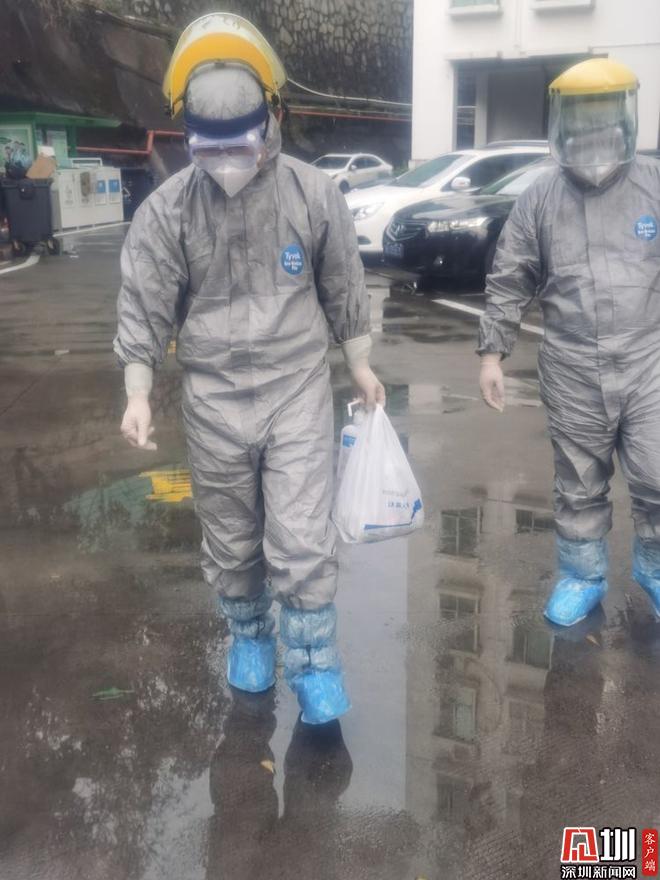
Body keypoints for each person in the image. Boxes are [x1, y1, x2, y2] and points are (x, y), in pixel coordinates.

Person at [114, 13, 385, 722]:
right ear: (188, 137)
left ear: (273, 119)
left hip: (296, 387)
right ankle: (250, 638)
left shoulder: (312, 195)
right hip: (213, 398)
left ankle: (315, 662)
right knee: (232, 536)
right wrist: (138, 389)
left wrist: (359, 363)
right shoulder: (169, 211)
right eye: (212, 150)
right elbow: (145, 302)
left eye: (242, 145)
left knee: (301, 535)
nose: (229, 163)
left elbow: (343, 283)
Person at [478, 58, 660, 627]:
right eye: (581, 124)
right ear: (561, 125)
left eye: (604, 122)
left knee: (658, 473)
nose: (593, 138)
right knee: (579, 482)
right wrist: (492, 354)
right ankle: (582, 574)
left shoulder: (653, 185)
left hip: (649, 360)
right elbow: (510, 276)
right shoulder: (540, 198)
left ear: (625, 119)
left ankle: (655, 568)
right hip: (572, 364)